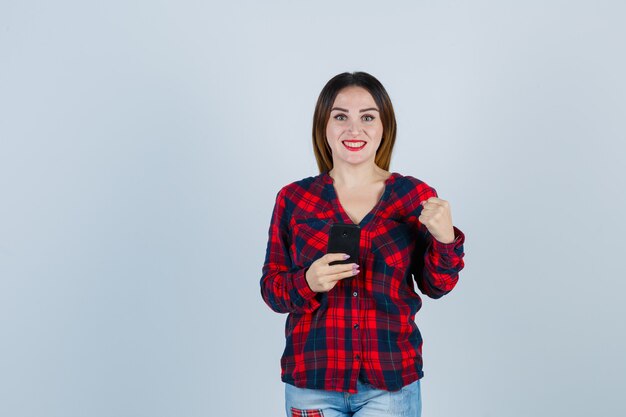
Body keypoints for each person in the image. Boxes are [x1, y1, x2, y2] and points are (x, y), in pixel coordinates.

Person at [260, 71, 466, 417]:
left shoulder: (414, 196)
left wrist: (446, 240)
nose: (354, 130)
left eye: (367, 117)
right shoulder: (293, 199)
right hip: (312, 383)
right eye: (341, 116)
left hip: (390, 385)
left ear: (384, 126)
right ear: (323, 127)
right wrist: (307, 281)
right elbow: (271, 290)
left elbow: (436, 286)